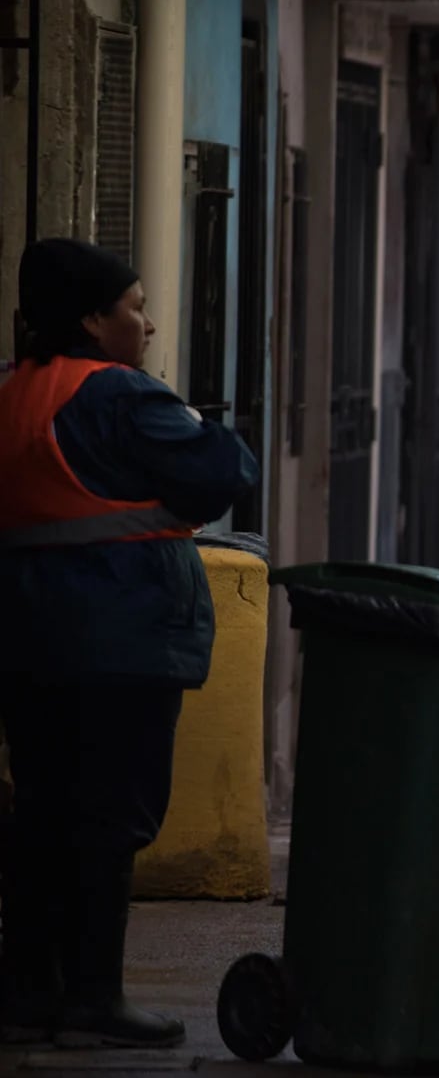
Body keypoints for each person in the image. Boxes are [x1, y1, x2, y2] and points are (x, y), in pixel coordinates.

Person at [0, 238, 259, 1047]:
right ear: (91, 319)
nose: (145, 324)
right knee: (111, 816)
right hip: (123, 638)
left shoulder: (12, 395)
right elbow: (229, 471)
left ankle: (28, 992)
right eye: (135, 307)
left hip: (28, 638)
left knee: (42, 808)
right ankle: (96, 999)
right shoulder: (121, 397)